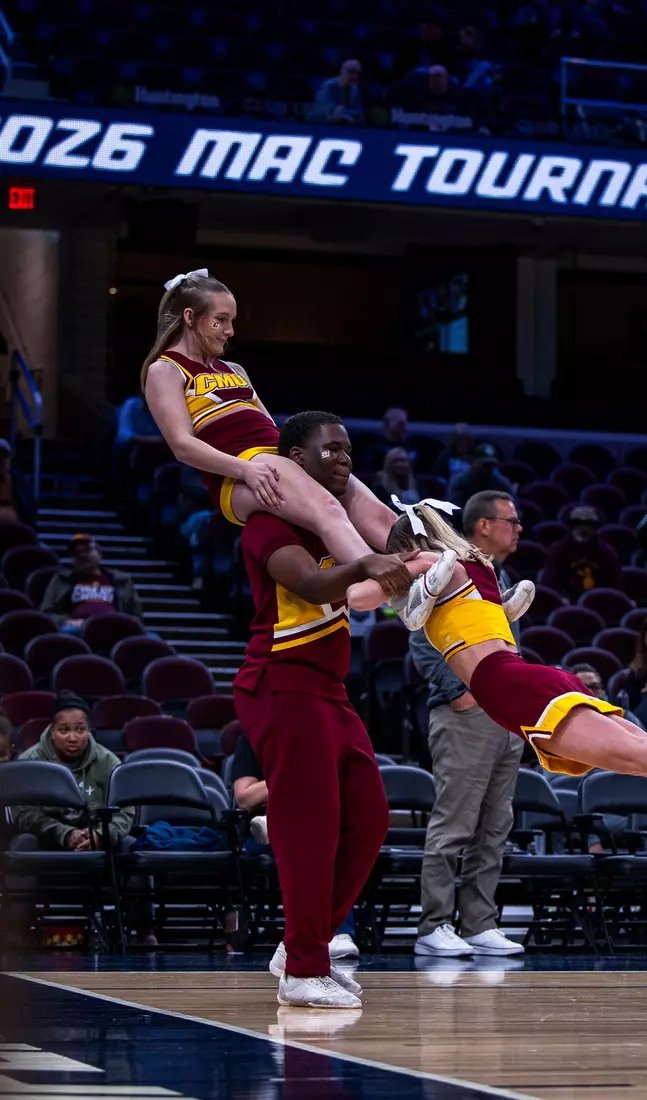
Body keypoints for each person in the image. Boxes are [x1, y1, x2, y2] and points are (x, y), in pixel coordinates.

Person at [365, 503, 647, 846]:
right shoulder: (477, 568)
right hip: (526, 677)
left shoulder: (426, 563)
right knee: (643, 752)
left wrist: (345, 577)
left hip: (508, 686)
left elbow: (361, 596)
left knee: (645, 756)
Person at [139, 270, 430, 624]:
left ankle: (451, 588)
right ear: (190, 317)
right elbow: (182, 446)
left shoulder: (235, 369)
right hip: (240, 472)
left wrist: (311, 457)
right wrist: (246, 469)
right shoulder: (164, 371)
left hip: (278, 457)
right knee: (328, 508)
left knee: (376, 511)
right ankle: (398, 594)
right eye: (221, 321)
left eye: (231, 320)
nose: (230, 331)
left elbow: (273, 427)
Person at [233, 411, 397, 1010]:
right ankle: (305, 970)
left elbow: (367, 577)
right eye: (329, 452)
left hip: (329, 690)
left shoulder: (339, 526)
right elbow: (311, 584)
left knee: (372, 818)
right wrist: (368, 567)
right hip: (280, 682)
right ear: (294, 461)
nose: (344, 459)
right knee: (312, 833)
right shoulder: (266, 524)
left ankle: (304, 944)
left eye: (349, 450)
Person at [408, 490, 525, 959]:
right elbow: (419, 635)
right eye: (511, 521)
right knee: (454, 821)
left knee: (496, 823)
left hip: (503, 713)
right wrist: (459, 692)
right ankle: (433, 924)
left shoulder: (497, 576)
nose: (517, 529)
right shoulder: (448, 566)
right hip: (467, 713)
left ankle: (479, 923)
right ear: (483, 525)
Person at [229, 730, 359, 961]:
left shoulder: (322, 738)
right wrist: (295, 776)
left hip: (315, 820)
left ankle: (333, 933)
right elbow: (245, 797)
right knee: (310, 845)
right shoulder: (253, 737)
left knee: (328, 839)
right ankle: (330, 934)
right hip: (263, 830)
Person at [14, 693, 133, 850]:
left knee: (129, 844)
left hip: (97, 840)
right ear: (52, 731)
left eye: (80, 730)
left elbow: (124, 812)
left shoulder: (109, 762)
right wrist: (66, 834)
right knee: (23, 843)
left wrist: (100, 835)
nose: (72, 738)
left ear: (89, 730)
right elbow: (25, 816)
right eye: (64, 730)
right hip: (47, 841)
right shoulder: (28, 763)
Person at [41, 534, 143, 635]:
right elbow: (47, 612)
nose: (82, 555)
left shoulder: (121, 580)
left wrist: (125, 624)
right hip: (78, 628)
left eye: (87, 550)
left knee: (152, 638)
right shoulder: (62, 580)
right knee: (67, 632)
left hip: (115, 627)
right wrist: (65, 621)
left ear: (99, 554)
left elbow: (135, 613)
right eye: (77, 553)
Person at [542, 505, 620, 599]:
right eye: (578, 524)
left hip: (599, 603)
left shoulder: (606, 552)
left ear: (595, 528)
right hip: (565, 603)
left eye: (589, 525)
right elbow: (551, 583)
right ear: (570, 527)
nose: (583, 529)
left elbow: (615, 585)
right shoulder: (558, 550)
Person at [448, 443, 514, 509]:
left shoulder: (500, 483)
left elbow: (515, 509)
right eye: (485, 465)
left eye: (491, 465)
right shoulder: (461, 481)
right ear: (474, 462)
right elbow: (452, 509)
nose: (488, 469)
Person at [307, 59, 364, 126]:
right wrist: (339, 112)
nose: (354, 76)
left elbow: (358, 112)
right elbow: (323, 109)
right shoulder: (328, 86)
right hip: (321, 124)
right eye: (351, 72)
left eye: (357, 73)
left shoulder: (355, 88)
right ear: (342, 72)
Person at [0, 437, 36, 527]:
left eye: (4, 456)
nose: (1, 461)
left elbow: (29, 507)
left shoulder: (19, 481)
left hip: (16, 530)